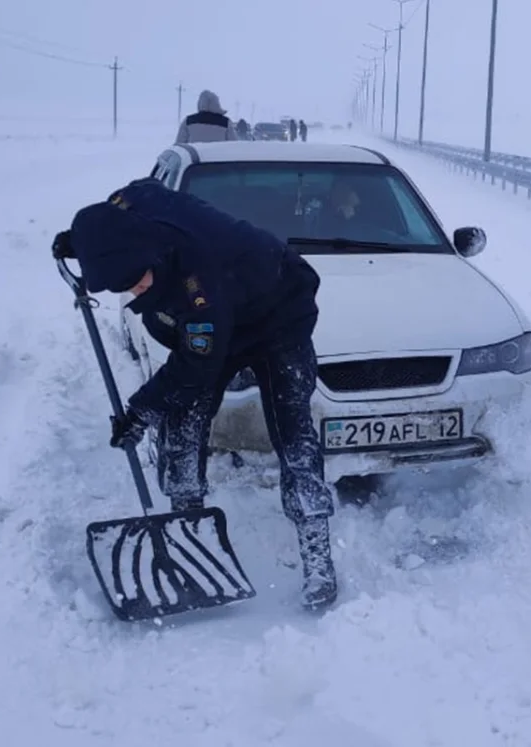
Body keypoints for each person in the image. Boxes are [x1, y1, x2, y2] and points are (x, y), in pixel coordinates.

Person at [59, 177, 339, 609]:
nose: (135, 292)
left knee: (293, 432)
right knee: (183, 427)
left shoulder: (200, 289)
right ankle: (187, 530)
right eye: (125, 287)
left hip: (279, 314)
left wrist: (140, 412)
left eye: (138, 283)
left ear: (151, 258)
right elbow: (121, 207)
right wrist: (82, 245)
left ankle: (317, 554)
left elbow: (194, 367)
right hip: (225, 309)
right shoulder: (134, 205)